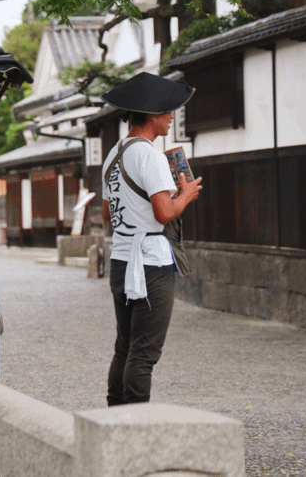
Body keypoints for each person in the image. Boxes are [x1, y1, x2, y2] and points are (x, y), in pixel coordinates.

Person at [100, 72, 203, 407]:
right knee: (144, 354)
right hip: (150, 263)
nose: (172, 116)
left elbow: (107, 213)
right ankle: (138, 428)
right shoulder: (150, 155)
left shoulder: (113, 155)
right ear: (153, 115)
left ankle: (114, 419)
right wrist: (186, 194)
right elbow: (163, 213)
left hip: (121, 259)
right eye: (168, 111)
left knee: (125, 347)